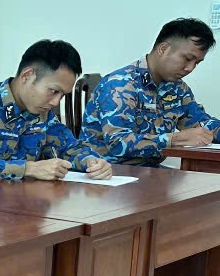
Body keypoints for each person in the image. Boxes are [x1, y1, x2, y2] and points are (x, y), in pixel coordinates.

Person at [0, 39, 113, 189]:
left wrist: (92, 162)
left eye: (62, 95)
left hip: (4, 205)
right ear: (27, 76)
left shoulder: (41, 113)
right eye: (53, 91)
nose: (56, 102)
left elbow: (69, 147)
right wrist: (27, 169)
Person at [80, 17, 220, 166]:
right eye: (187, 58)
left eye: (196, 63)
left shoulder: (177, 87)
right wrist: (174, 139)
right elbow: (118, 143)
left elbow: (202, 123)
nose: (190, 68)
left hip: (149, 171)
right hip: (108, 171)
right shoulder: (121, 85)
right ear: (163, 49)